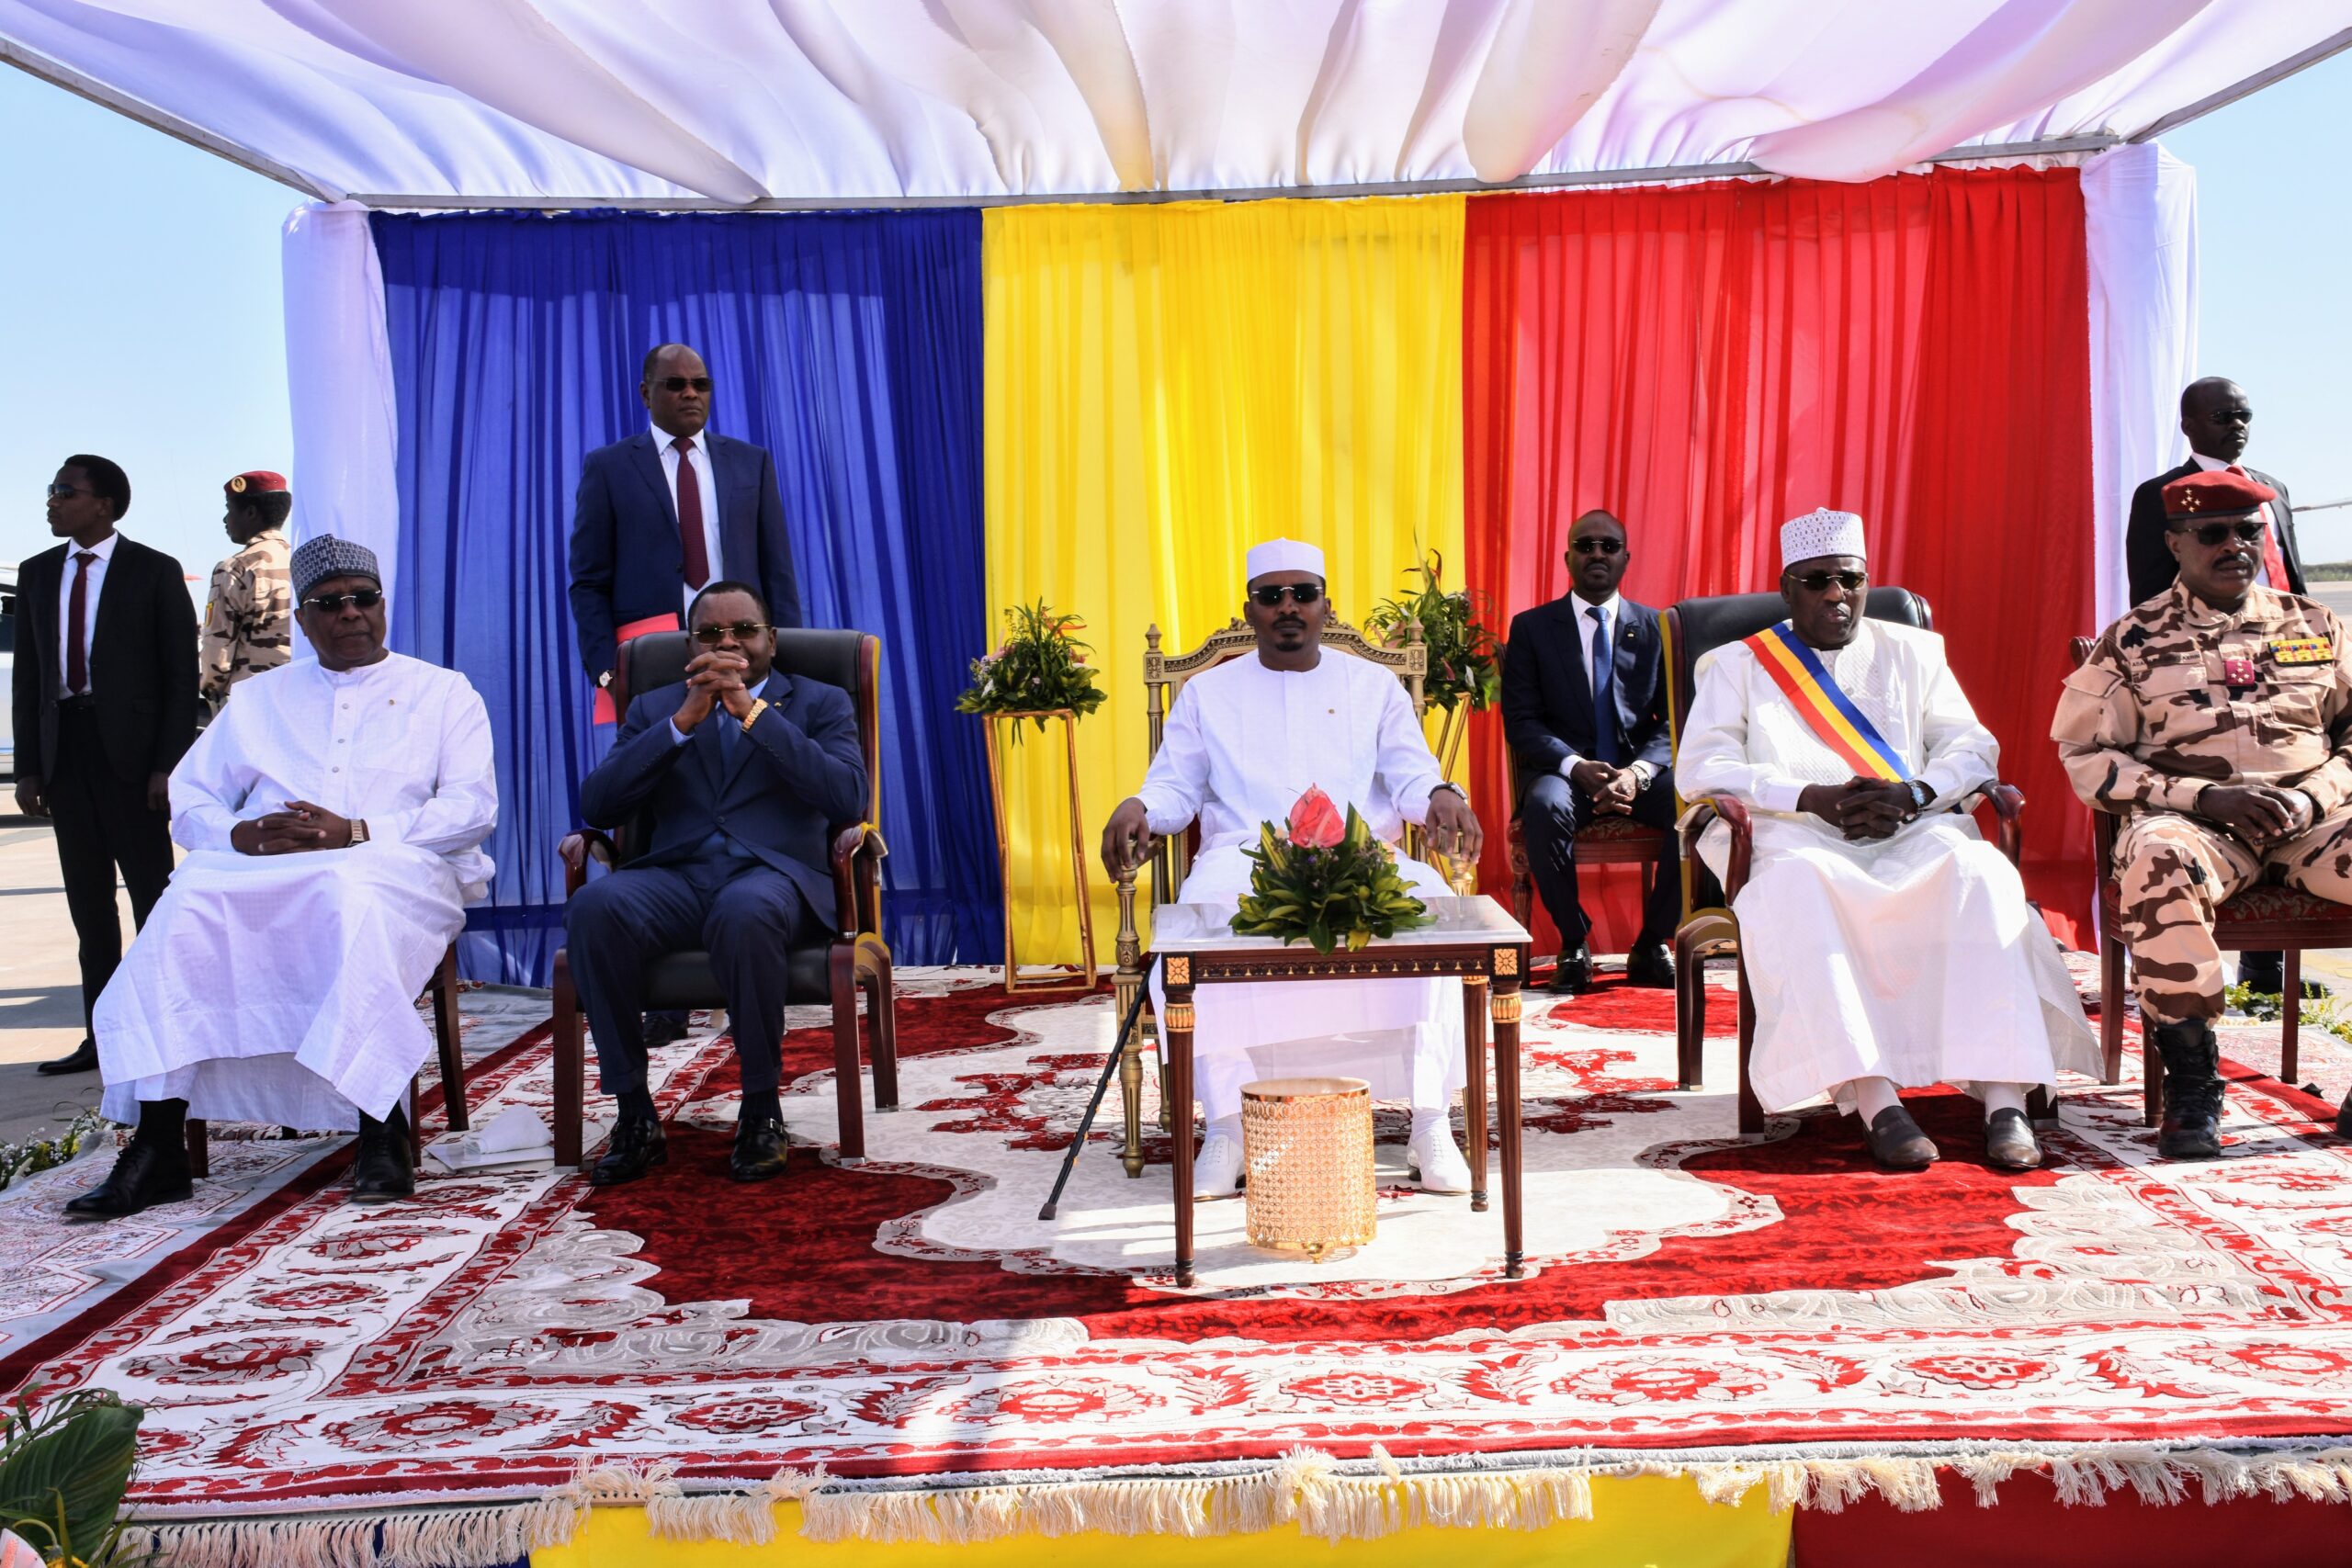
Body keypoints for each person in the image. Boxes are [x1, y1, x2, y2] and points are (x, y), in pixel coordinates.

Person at [65, 536, 496, 1218]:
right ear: (302, 618)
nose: (350, 613)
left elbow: (472, 807)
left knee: (345, 895)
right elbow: (191, 794)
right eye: (330, 603)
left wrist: (355, 829)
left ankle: (380, 1124)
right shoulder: (260, 697)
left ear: (383, 605)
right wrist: (235, 833)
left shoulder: (442, 691)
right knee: (184, 906)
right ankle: (157, 1144)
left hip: (398, 866)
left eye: (364, 599)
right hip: (264, 871)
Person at [1679, 508, 2098, 1171]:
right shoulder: (1737, 665)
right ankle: (1876, 1100)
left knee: (1982, 875)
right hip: (1798, 836)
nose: (1834, 595)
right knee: (1798, 888)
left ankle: (2005, 1096)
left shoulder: (1914, 652)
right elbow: (1702, 766)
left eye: (1848, 579)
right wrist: (1805, 796)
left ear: (1867, 580)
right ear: (1787, 590)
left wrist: (1916, 794)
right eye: (1816, 582)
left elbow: (1971, 744)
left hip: (1914, 827)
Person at [1099, 539, 1487, 1200]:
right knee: (1188, 932)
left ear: (1325, 604)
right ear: (1247, 609)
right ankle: (1226, 1126)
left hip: (1359, 856)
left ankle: (1430, 1122)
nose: (1288, 607)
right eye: (1272, 595)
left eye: (1303, 594)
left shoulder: (1373, 687)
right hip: (1243, 861)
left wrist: (1445, 794)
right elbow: (1174, 789)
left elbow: (1412, 776)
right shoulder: (1207, 694)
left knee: (1435, 914)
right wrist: (1138, 805)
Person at [2056, 468, 2352, 1156]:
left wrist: (2313, 795)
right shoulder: (2133, 639)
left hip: (2308, 823)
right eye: (2211, 534)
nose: (2233, 546)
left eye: (2248, 531)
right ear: (2176, 545)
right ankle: (2194, 1083)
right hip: (2198, 829)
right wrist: (2201, 797)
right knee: (2157, 855)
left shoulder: (2316, 626)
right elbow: (2086, 757)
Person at [565, 581, 867, 1187]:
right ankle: (634, 1112)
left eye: (743, 630)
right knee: (597, 904)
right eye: (710, 633)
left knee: (744, 909)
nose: (728, 643)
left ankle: (760, 1108)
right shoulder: (656, 708)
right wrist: (681, 724)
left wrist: (752, 714)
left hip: (772, 879)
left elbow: (846, 796)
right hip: (677, 878)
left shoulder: (819, 701)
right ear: (689, 645)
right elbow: (597, 802)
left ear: (771, 640)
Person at [569, 344, 806, 1054]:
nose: (690, 394)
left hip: (743, 647)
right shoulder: (610, 468)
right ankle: (660, 995)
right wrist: (607, 672)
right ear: (646, 392)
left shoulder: (748, 462)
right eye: (674, 384)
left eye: (701, 383)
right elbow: (587, 580)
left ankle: (743, 978)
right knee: (648, 795)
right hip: (648, 657)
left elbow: (776, 569)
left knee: (740, 788)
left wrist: (781, 656)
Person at [2122, 377, 2309, 999]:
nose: (2238, 423)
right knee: (2235, 790)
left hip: (2284, 665)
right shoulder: (2158, 498)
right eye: (2225, 414)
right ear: (2190, 424)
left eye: (2245, 414)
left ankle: (2267, 969)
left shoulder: (2272, 488)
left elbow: (2294, 581)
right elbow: (2147, 593)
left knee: (2284, 786)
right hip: (2199, 674)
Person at [13, 456, 198, 1078]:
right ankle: (102, 1035)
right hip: (67, 754)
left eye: (65, 491)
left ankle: (168, 1025)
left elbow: (180, 676)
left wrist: (166, 765)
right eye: (52, 490)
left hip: (133, 759)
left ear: (105, 504)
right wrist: (29, 769)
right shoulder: (39, 574)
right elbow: (30, 678)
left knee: (153, 899)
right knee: (89, 908)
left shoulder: (152, 571)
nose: (52, 501)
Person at [1499, 508, 1686, 993]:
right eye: (1586, 546)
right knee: (1543, 806)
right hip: (1566, 773)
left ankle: (1650, 943)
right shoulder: (1533, 628)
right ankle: (1574, 941)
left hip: (1638, 774)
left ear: (1626, 558)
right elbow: (1521, 720)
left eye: (1608, 546)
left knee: (1695, 804)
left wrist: (1640, 773)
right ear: (1568, 558)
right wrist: (1575, 765)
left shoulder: (1658, 627)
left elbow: (1674, 718)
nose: (1597, 554)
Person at [199, 469, 293, 713]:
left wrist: (211, 690)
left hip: (250, 700)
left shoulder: (235, 568)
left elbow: (217, 650)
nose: (225, 519)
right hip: (300, 693)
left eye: (229, 509)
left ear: (250, 512)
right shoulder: (302, 562)